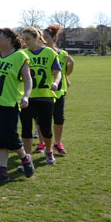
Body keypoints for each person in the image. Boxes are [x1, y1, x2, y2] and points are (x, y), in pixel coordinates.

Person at [0, 28, 34, 183]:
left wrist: (26, 96)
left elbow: (27, 79)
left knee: (9, 137)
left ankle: (25, 158)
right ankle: (3, 171)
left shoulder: (19, 56)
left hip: (9, 102)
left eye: (0, 37)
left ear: (10, 39)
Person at [19, 27, 62, 165]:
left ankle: (49, 151)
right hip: (27, 97)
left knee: (45, 129)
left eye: (28, 39)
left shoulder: (49, 52)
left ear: (37, 38)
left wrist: (55, 83)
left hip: (45, 96)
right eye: (23, 40)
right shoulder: (22, 54)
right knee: (26, 128)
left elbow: (57, 71)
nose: (25, 43)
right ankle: (27, 158)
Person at [40, 25, 74, 155]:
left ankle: (57, 143)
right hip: (44, 92)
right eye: (42, 37)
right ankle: (42, 143)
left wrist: (72, 63)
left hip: (59, 91)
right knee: (42, 119)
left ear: (54, 38)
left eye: (46, 37)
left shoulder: (62, 54)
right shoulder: (40, 52)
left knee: (59, 118)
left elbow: (66, 73)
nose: (43, 40)